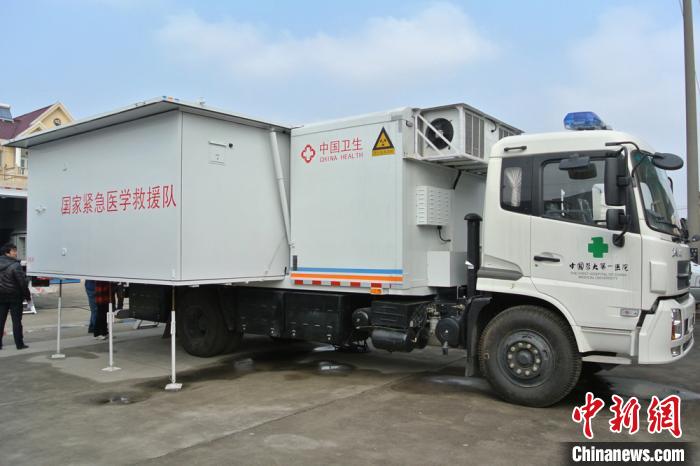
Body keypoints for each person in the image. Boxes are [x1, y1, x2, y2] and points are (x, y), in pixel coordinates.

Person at [0, 243, 30, 350]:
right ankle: (19, 344)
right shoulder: (15, 265)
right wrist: (27, 296)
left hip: (1, 296)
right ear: (7, 252)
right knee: (16, 321)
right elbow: (22, 283)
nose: (16, 253)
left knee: (1, 320)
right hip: (15, 296)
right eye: (14, 251)